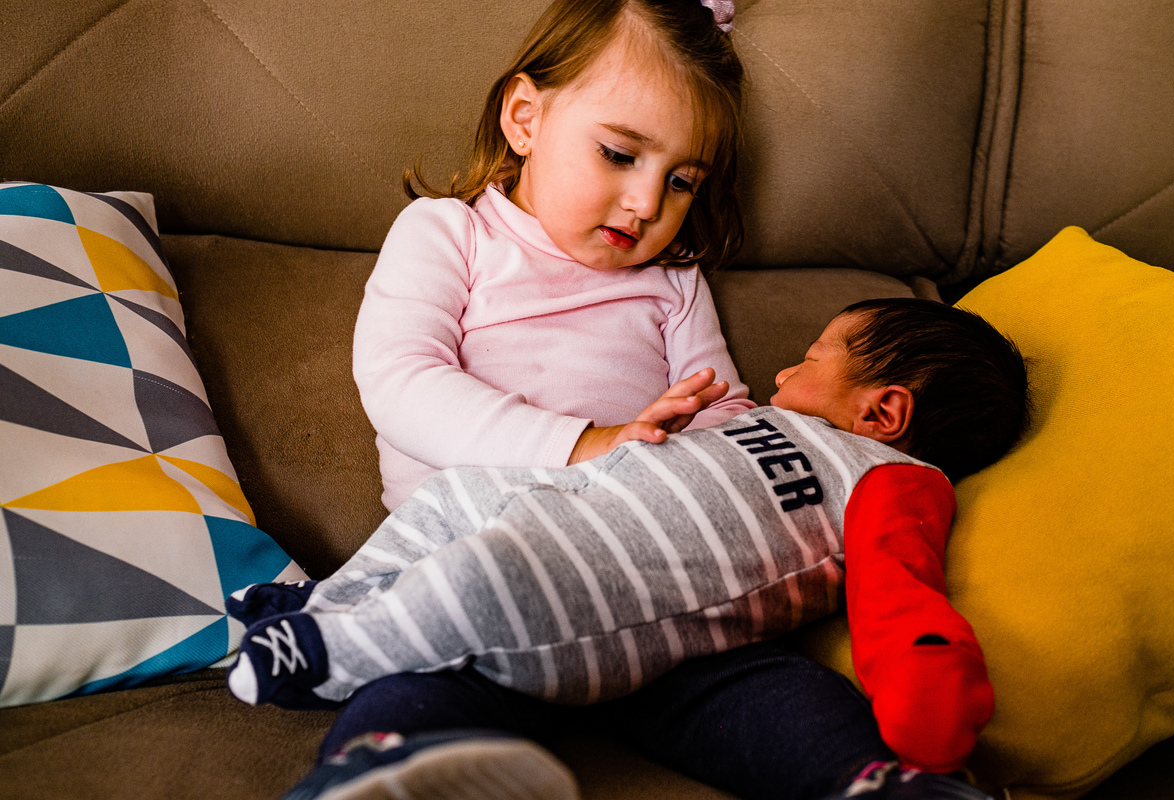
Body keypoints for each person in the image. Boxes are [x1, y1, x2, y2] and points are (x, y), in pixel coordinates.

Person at [228, 297, 1031, 800]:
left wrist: (927, 703)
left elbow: (899, 592)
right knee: (455, 561)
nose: (786, 368)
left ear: (883, 413)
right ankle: (377, 752)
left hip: (693, 637)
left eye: (814, 357)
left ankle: (880, 786)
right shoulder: (761, 423)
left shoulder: (889, 476)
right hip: (574, 569)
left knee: (776, 698)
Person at [353, 0, 755, 514]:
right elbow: (400, 384)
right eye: (619, 155)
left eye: (681, 182)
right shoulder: (449, 233)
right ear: (525, 119)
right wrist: (585, 447)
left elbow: (724, 411)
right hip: (463, 527)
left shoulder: (674, 274)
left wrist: (674, 455)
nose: (648, 204)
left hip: (619, 524)